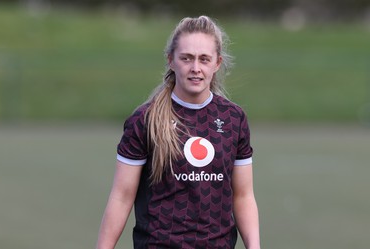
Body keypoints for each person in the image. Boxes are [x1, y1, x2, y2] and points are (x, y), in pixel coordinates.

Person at [96, 16, 260, 249]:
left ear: (217, 63)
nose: (195, 68)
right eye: (186, 58)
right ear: (171, 60)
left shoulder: (234, 119)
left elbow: (243, 196)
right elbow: (122, 197)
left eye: (204, 59)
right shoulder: (145, 120)